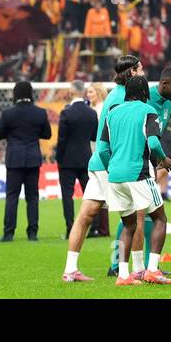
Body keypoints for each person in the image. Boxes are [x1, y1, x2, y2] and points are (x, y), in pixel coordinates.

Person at [62, 55, 146, 283]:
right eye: (140, 70)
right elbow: (118, 135)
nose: (143, 74)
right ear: (131, 73)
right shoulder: (123, 99)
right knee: (134, 217)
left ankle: (70, 269)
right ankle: (132, 271)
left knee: (85, 215)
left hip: (97, 162)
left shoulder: (113, 96)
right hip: (111, 164)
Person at [98, 75, 171, 286]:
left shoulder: (112, 113)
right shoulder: (147, 111)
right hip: (138, 175)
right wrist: (163, 159)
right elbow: (153, 141)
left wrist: (111, 168)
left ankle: (123, 275)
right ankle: (152, 270)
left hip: (115, 177)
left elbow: (103, 149)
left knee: (128, 225)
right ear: (144, 93)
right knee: (160, 218)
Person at [0, 80, 51, 242]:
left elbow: (0, 135)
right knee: (32, 197)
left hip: (14, 159)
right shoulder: (40, 113)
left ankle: (8, 233)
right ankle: (32, 233)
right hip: (33, 158)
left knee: (12, 196)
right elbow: (47, 134)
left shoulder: (8, 113)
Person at [55, 81, 97, 239]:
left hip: (67, 161)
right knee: (91, 194)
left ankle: (70, 229)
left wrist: (59, 158)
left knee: (68, 195)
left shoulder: (66, 113)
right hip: (86, 159)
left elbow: (62, 139)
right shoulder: (91, 113)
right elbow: (94, 136)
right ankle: (94, 228)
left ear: (72, 91)